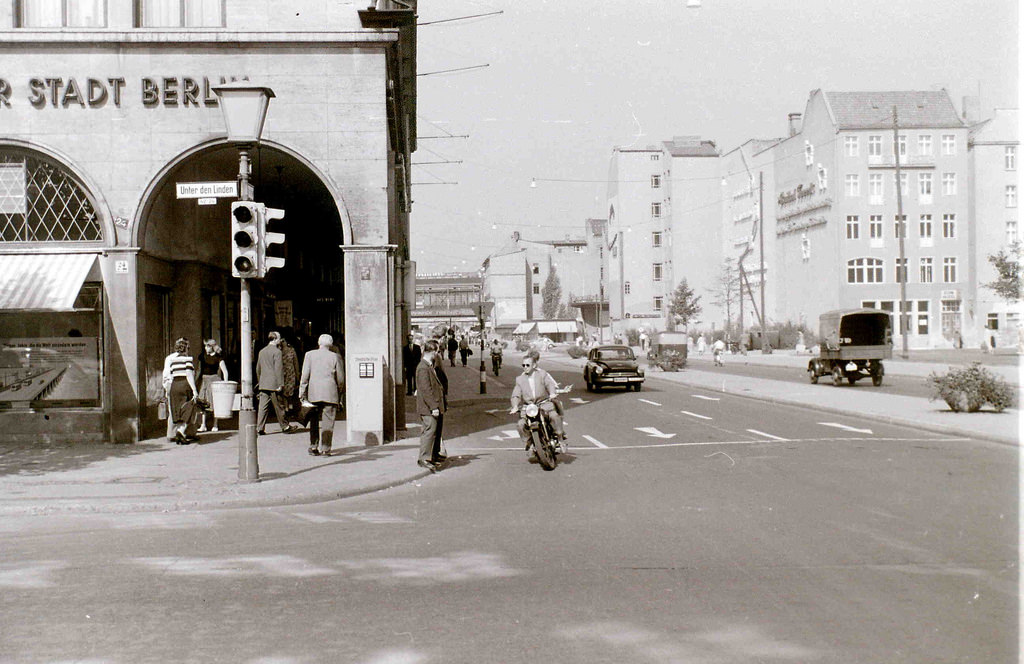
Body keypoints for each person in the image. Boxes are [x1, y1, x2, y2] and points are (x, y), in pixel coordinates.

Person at [509, 349, 567, 453]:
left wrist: (552, 393)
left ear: (534, 365)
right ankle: (529, 442)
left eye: (528, 365)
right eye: (523, 365)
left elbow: (549, 384)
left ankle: (560, 438)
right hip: (529, 407)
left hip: (544, 403)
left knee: (554, 416)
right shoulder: (520, 379)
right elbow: (516, 395)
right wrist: (515, 406)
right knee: (521, 424)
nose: (525, 367)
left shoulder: (542, 374)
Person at [299, 333, 345, 457]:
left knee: (313, 420)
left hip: (313, 393)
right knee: (328, 421)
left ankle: (313, 446)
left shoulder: (309, 355)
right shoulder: (335, 357)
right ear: (330, 344)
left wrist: (302, 392)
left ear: (319, 343)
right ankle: (325, 448)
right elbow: (340, 378)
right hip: (330, 392)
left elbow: (304, 376)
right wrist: (340, 392)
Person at [256, 331, 297, 435]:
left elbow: (258, 369)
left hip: (264, 383)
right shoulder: (277, 352)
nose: (280, 340)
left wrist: (260, 380)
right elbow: (278, 369)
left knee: (263, 407)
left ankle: (259, 428)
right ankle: (285, 426)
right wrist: (280, 384)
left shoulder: (262, 351)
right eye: (279, 338)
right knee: (279, 406)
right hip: (274, 384)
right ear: (274, 339)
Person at [415, 339, 447, 472]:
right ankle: (424, 459)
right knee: (429, 432)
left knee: (434, 431)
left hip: (433, 406)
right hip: (428, 408)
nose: (438, 354)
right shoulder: (423, 368)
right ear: (432, 352)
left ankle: (432, 455)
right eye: (437, 351)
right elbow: (426, 390)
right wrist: (433, 407)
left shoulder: (428, 365)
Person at [162, 337, 199, 444]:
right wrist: (195, 390)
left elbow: (170, 375)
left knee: (176, 411)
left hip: (174, 386)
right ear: (186, 348)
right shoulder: (187, 360)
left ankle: (178, 434)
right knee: (188, 409)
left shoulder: (172, 361)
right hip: (184, 386)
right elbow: (189, 375)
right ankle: (180, 432)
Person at [196, 339, 229, 433]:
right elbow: (198, 369)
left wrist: (225, 383)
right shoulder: (202, 356)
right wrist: (195, 381)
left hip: (214, 380)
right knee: (203, 403)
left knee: (215, 403)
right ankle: (203, 425)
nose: (206, 348)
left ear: (212, 347)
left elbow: (225, 371)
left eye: (208, 346)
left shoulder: (219, 357)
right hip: (204, 380)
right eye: (205, 346)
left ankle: (215, 424)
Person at [278, 335, 301, 426]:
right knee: (284, 393)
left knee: (290, 393)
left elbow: (296, 363)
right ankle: (287, 409)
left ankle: (289, 408)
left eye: (283, 340)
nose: (282, 342)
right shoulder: (278, 351)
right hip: (282, 375)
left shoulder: (291, 351)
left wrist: (297, 375)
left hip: (290, 375)